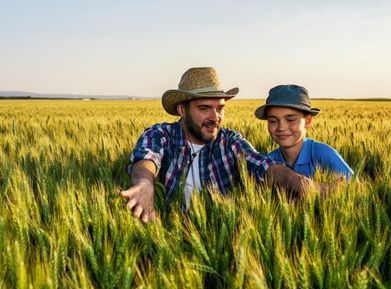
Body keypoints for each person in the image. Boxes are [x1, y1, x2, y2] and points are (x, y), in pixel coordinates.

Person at [120, 67, 324, 223]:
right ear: (182, 110)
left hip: (220, 235)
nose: (215, 117)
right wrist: (145, 183)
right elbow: (146, 159)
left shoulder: (230, 142)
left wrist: (307, 186)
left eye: (220, 108)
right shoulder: (161, 135)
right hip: (169, 232)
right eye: (205, 108)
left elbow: (266, 167)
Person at [255, 84, 353, 180]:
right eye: (273, 121)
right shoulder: (270, 161)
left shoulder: (324, 154)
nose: (281, 127)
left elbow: (352, 187)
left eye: (291, 120)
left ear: (307, 121)